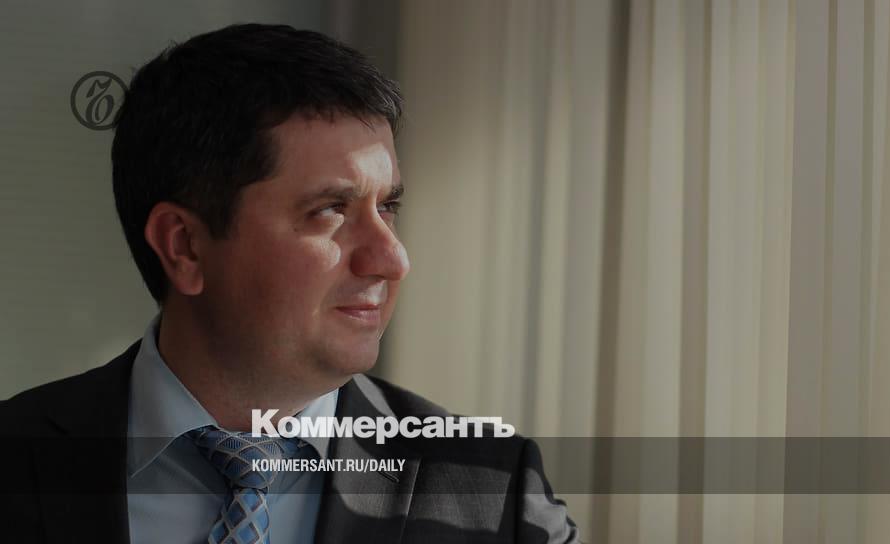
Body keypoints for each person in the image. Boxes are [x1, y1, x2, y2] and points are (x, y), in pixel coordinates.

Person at [0, 23, 579, 543]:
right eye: (331, 210)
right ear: (185, 246)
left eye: (388, 207)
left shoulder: (496, 494)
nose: (391, 258)